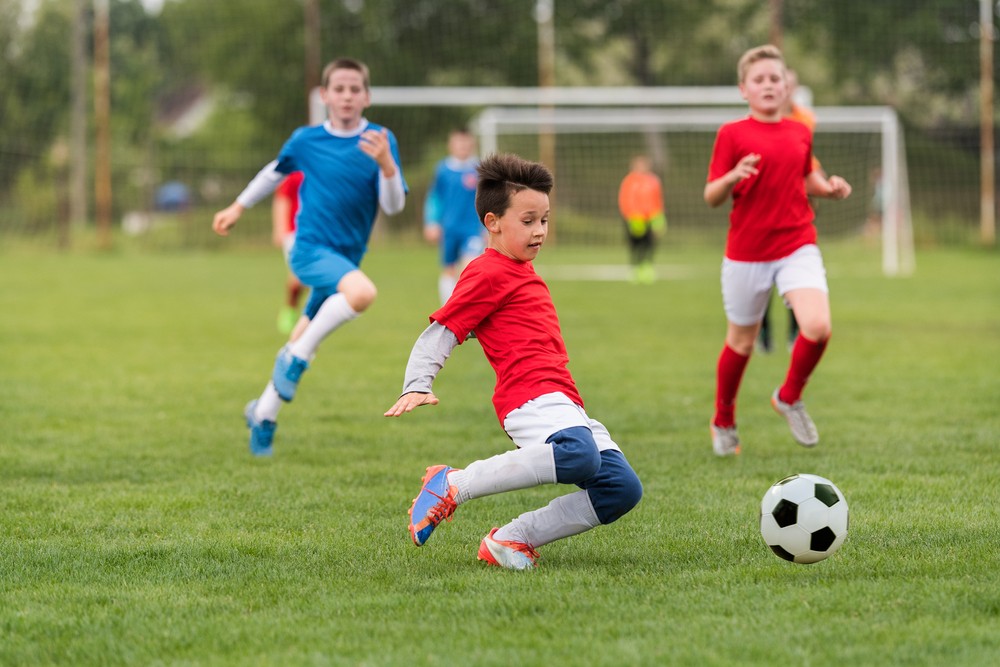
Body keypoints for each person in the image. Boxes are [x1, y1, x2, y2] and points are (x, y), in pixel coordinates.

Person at [385, 153, 642, 569]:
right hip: (527, 396)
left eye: (544, 220)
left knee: (621, 487)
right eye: (528, 221)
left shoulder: (521, 270)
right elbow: (443, 330)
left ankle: (511, 539)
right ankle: (453, 484)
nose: (540, 231)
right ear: (493, 222)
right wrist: (418, 383)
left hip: (562, 399)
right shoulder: (486, 271)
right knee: (578, 455)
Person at [212, 57, 407, 456]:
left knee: (303, 332)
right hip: (309, 250)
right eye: (339, 89)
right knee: (362, 295)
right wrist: (237, 207)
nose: (347, 96)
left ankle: (262, 415)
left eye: (355, 89)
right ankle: (295, 359)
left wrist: (387, 164)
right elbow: (274, 172)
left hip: (348, 258)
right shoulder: (306, 140)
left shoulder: (381, 140)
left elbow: (393, 207)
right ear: (325, 96)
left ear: (366, 97)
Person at [703, 45, 852, 456]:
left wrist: (830, 188)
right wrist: (734, 175)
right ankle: (724, 419)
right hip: (746, 253)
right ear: (743, 89)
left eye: (775, 78)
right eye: (759, 79)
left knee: (818, 326)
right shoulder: (731, 134)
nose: (769, 85)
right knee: (741, 343)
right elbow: (712, 195)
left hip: (797, 244)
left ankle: (788, 396)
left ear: (787, 86)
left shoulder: (800, 131)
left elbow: (809, 177)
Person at [758, 69, 816, 353]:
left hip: (797, 205)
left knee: (798, 274)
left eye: (791, 84)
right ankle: (764, 332)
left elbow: (808, 161)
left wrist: (822, 184)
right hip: (766, 209)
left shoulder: (805, 120)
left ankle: (795, 332)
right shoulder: (760, 120)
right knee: (763, 277)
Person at [423, 129, 485, 305]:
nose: (463, 147)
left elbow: (488, 200)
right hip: (449, 228)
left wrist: (487, 227)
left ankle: (466, 309)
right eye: (459, 143)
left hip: (472, 229)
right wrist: (431, 222)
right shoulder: (443, 170)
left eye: (466, 144)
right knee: (449, 269)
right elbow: (435, 198)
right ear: (451, 145)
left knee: (469, 267)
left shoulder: (480, 169)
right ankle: (448, 311)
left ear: (472, 145)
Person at [617, 154, 666, 284]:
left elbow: (657, 199)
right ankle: (635, 268)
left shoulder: (654, 181)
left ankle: (647, 268)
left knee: (649, 244)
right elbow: (625, 199)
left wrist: (659, 217)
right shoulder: (629, 181)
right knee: (635, 244)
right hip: (634, 219)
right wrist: (630, 215)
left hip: (650, 218)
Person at [272, 171, 305, 335]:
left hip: (320, 233)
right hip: (295, 233)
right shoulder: (296, 173)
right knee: (298, 279)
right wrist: (280, 228)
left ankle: (312, 318)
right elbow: (282, 199)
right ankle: (290, 308)